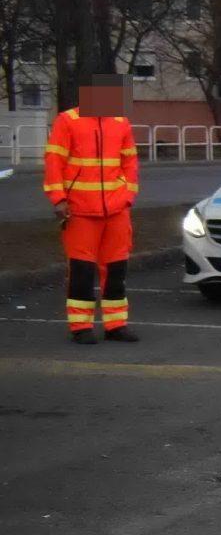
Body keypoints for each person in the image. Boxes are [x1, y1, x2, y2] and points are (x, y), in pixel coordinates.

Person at [44, 80, 141, 344]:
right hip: (80, 209)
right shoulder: (68, 120)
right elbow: (54, 160)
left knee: (116, 268)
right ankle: (80, 327)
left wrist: (128, 196)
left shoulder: (121, 122)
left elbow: (130, 162)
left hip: (116, 209)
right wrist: (58, 198)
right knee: (82, 270)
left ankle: (116, 325)